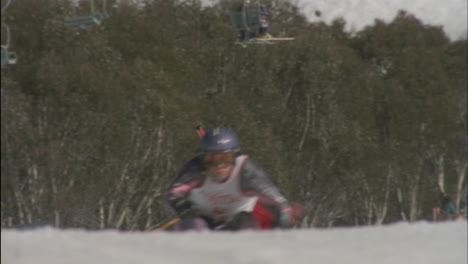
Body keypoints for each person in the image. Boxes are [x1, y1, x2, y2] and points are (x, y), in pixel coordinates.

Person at [164, 127, 296, 231]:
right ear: (202, 160)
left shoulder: (245, 172)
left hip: (238, 222)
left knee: (246, 224)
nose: (219, 166)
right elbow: (171, 195)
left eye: (225, 158)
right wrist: (187, 211)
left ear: (234, 158)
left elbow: (281, 204)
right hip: (202, 221)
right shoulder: (195, 171)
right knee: (193, 225)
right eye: (211, 160)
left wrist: (282, 226)